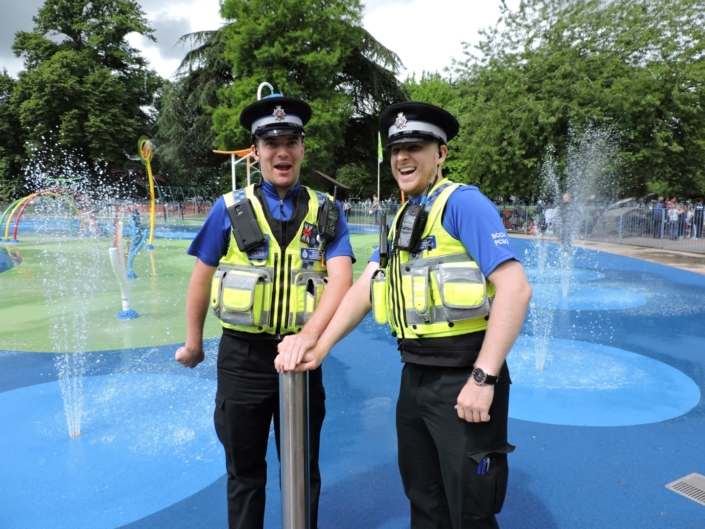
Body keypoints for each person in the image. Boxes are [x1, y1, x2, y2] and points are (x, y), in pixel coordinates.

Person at [276, 102, 532, 528]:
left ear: (441, 154)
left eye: (415, 146)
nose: (402, 158)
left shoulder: (463, 204)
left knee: (470, 509)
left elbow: (516, 289)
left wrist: (483, 378)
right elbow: (365, 287)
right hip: (414, 377)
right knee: (424, 502)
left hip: (463, 377)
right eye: (395, 149)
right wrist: (318, 347)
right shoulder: (402, 220)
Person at [175, 93, 354, 529]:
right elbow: (201, 277)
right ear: (255, 153)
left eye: (291, 141)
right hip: (243, 359)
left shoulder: (327, 211)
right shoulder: (230, 208)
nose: (282, 152)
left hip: (302, 360)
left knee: (302, 468)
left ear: (302, 149)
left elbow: (342, 280)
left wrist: (308, 337)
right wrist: (193, 343)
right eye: (271, 143)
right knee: (244, 473)